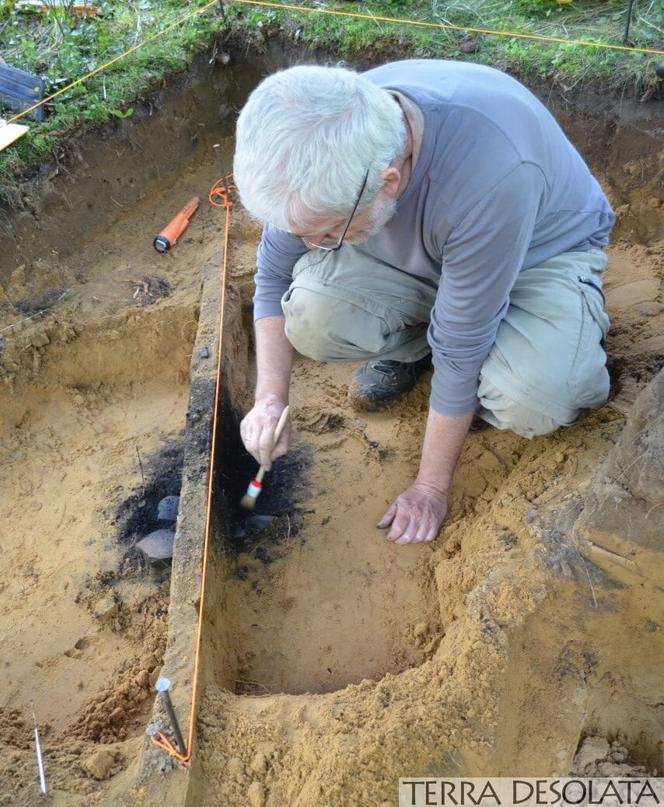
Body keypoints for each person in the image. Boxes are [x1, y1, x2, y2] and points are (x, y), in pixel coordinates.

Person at [233, 59, 614, 545]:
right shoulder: (315, 146)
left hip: (535, 255)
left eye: (326, 233)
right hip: (428, 246)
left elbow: (461, 343)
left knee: (538, 398)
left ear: (387, 184)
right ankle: (411, 351)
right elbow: (272, 280)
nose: (312, 245)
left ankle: (567, 341)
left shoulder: (491, 175)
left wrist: (430, 486)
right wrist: (270, 400)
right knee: (311, 316)